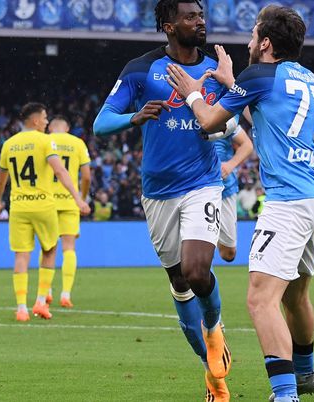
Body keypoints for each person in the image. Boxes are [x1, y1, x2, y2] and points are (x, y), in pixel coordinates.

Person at [167, 5, 314, 401]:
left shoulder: (258, 76)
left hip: (287, 203)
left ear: (266, 43)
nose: (249, 42)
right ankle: (305, 374)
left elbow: (209, 120)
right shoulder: (307, 77)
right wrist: (232, 83)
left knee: (260, 299)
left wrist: (192, 93)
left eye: (254, 35)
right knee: (295, 297)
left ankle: (285, 394)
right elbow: (270, 120)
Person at [92, 1, 235, 400]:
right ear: (169, 26)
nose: (200, 21)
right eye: (191, 16)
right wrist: (134, 117)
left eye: (202, 15)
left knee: (197, 272)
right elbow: (101, 123)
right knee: (179, 280)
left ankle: (214, 329)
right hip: (158, 192)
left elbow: (234, 121)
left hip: (203, 183)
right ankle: (213, 377)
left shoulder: (216, 70)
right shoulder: (141, 69)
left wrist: (225, 100)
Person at [0, 103, 90, 322]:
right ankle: (41, 301)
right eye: (44, 118)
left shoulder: (9, 144)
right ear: (35, 121)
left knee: (21, 256)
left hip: (18, 207)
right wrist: (78, 198)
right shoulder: (45, 141)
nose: (46, 122)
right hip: (44, 205)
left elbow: (0, 180)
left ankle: (21, 308)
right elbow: (60, 171)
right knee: (50, 249)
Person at [44, 115, 92, 308]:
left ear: (50, 128)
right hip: (70, 201)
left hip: (47, 201)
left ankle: (46, 290)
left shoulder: (45, 140)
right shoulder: (77, 143)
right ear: (67, 128)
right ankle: (65, 294)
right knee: (69, 248)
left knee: (48, 247)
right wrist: (82, 197)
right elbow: (86, 176)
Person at [213, 125, 253, 262]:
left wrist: (230, 165)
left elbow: (247, 145)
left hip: (224, 187)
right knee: (197, 242)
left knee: (228, 253)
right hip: (193, 185)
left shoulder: (224, 117)